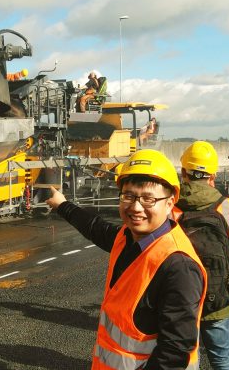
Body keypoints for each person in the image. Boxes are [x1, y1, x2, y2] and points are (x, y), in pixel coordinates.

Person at [45, 149, 207, 370]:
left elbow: (175, 351)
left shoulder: (178, 266)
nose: (136, 207)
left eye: (148, 199)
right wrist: (63, 205)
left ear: (170, 203)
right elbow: (95, 228)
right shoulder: (127, 238)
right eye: (129, 196)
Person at [173, 141, 229, 370]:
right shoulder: (228, 206)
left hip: (180, 297)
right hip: (218, 296)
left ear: (184, 172)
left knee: (187, 360)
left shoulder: (171, 206)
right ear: (212, 175)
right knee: (222, 359)